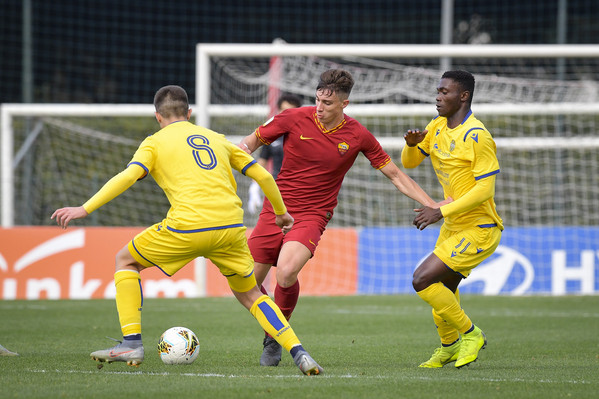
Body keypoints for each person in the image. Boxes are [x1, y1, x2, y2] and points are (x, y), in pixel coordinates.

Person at [51, 85, 323, 376]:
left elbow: (128, 175)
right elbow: (262, 174)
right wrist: (281, 213)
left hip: (187, 226)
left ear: (158, 116)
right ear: (189, 113)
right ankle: (299, 351)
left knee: (125, 261)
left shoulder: (154, 142)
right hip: (230, 228)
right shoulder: (216, 138)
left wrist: (85, 208)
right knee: (253, 295)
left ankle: (131, 342)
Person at [239, 69, 444, 367]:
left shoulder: (357, 135)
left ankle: (274, 338)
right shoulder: (294, 117)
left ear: (344, 104)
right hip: (276, 209)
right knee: (246, 285)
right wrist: (243, 166)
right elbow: (249, 143)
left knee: (285, 273)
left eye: (328, 103)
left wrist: (433, 204)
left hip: (312, 215)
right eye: (318, 100)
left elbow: (396, 174)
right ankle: (274, 319)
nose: (320, 108)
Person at [401, 70, 503, 368]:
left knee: (422, 279)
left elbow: (485, 189)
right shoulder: (437, 127)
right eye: (438, 91)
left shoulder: (477, 136)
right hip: (455, 225)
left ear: (463, 96)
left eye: (445, 92)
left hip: (480, 228)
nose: (438, 96)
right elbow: (409, 163)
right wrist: (410, 144)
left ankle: (471, 334)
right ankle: (448, 347)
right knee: (443, 291)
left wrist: (439, 210)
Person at [247, 94, 302, 214]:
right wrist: (254, 187)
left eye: (291, 111)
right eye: (283, 110)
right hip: (277, 192)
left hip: (301, 193)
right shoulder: (272, 135)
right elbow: (262, 161)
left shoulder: (306, 135)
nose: (286, 114)